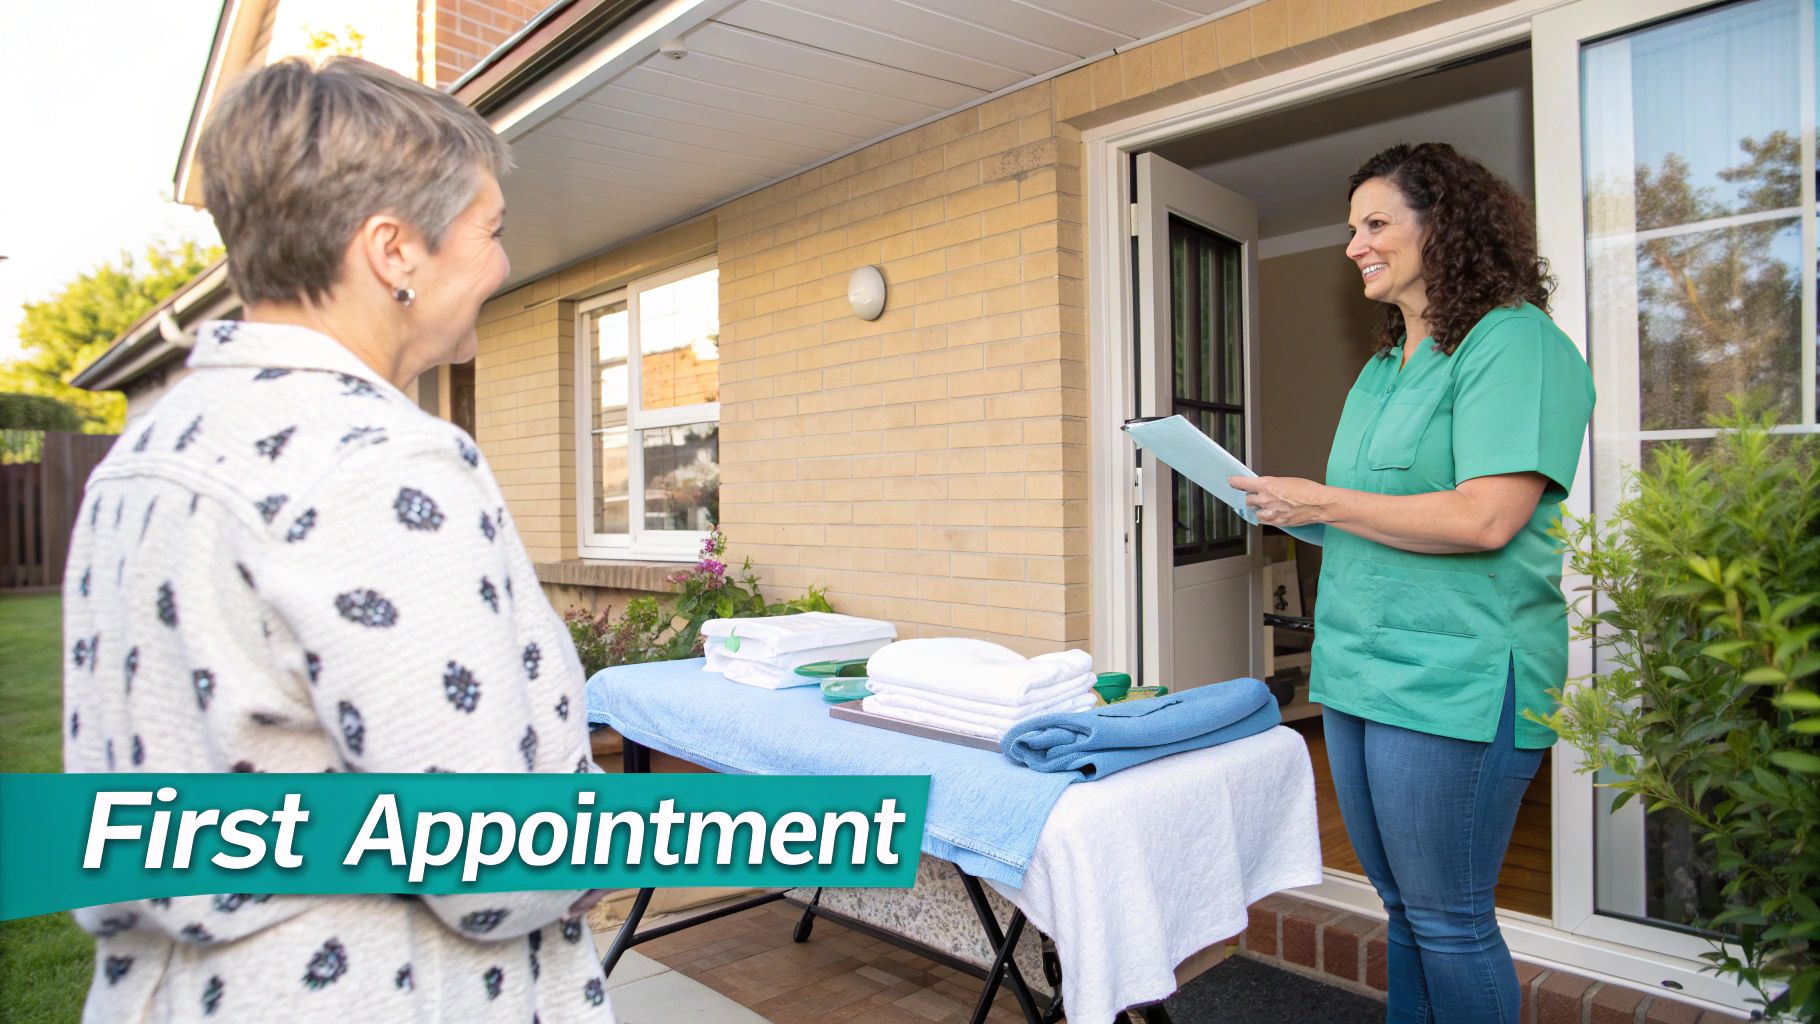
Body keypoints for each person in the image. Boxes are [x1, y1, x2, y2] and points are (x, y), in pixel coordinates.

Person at [61, 57, 614, 1022]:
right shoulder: (380, 462)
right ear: (395, 251)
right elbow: (488, 856)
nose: (501, 264)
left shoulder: (143, 456)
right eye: (490, 232)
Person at [1229, 142, 1594, 1023]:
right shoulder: (1383, 366)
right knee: (1403, 910)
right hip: (1358, 664)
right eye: (1352, 228)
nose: (1355, 243)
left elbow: (1486, 518)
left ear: (1447, 226)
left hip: (1456, 676)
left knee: (1450, 918)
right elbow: (1375, 509)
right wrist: (1292, 509)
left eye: (1376, 222)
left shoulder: (1515, 343)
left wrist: (1325, 499)